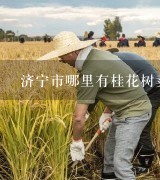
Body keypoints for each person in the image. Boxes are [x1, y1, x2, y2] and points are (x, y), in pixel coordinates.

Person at [37, 31, 152, 179]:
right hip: (123, 111)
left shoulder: (90, 70)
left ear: (73, 52)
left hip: (134, 114)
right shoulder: (99, 56)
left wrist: (76, 142)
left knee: (121, 165)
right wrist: (107, 111)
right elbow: (117, 86)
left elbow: (78, 117)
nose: (61, 60)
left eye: (62, 55)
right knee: (109, 158)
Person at [87, 51, 160, 175]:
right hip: (147, 87)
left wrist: (84, 115)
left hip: (152, 91)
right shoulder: (116, 60)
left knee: (141, 126)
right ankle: (121, 163)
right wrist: (107, 113)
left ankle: (145, 164)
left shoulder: (112, 64)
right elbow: (117, 91)